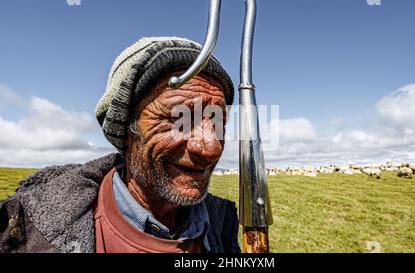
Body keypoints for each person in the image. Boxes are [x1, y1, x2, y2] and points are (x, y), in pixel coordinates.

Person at [0, 37, 240, 253]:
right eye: (179, 119)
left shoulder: (222, 222)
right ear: (125, 128)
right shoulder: (25, 229)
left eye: (218, 122)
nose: (211, 147)